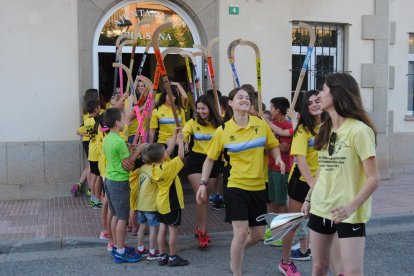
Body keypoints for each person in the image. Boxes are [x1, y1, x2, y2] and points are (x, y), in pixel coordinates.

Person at [197, 86, 285, 276]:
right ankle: (237, 271)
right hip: (235, 186)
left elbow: (273, 145)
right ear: (230, 103)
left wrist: (277, 157)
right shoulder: (223, 130)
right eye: (240, 97)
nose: (245, 100)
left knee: (258, 235)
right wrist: (203, 184)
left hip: (258, 186)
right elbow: (209, 159)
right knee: (241, 232)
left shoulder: (261, 124)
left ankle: (235, 253)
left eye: (247, 97)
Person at [303, 73, 379, 276]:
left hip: (349, 213)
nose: (319, 94)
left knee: (350, 272)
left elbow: (373, 179)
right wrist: (309, 198)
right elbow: (322, 169)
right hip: (320, 207)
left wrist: (351, 207)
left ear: (337, 94)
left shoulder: (360, 131)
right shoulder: (324, 129)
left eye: (324, 90)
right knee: (318, 267)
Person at [277, 90, 322, 275]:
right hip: (302, 181)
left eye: (317, 100)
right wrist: (313, 188)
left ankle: (318, 261)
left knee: (319, 224)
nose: (314, 104)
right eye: (310, 103)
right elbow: (300, 160)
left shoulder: (331, 126)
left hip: (323, 182)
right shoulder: (302, 129)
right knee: (293, 223)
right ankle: (285, 262)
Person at [102, 108, 143, 263]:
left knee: (115, 215)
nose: (127, 121)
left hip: (110, 180)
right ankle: (120, 251)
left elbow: (119, 157)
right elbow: (129, 165)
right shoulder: (119, 141)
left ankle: (116, 245)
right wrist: (138, 151)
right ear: (117, 123)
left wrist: (129, 148)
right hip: (119, 182)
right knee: (123, 218)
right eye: (124, 118)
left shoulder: (109, 138)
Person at [182, 94, 222, 248]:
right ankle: (202, 232)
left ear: (210, 108)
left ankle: (199, 227)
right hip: (196, 161)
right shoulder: (192, 122)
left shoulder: (219, 124)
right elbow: (185, 134)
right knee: (201, 196)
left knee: (205, 198)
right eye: (198, 108)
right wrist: (182, 139)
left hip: (213, 161)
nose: (200, 111)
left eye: (203, 108)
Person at [147, 130, 189, 267]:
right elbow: (181, 156)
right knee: (173, 231)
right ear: (162, 156)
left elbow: (169, 150)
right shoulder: (169, 168)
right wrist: (181, 141)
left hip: (161, 203)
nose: (167, 152)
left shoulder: (154, 167)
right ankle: (172, 257)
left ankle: (162, 255)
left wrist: (174, 136)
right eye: (164, 151)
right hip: (172, 203)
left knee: (162, 229)